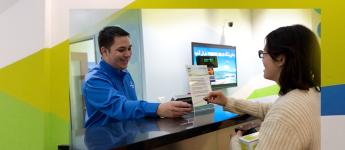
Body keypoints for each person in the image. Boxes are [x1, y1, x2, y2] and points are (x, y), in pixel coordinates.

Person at [205, 24, 320, 150]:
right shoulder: (311, 94)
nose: (262, 59)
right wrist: (227, 101)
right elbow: (266, 109)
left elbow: (279, 113)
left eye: (263, 53)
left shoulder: (284, 112)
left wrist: (235, 141)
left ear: (281, 59)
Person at [82, 26, 192, 128]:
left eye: (129, 48)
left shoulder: (125, 73)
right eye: (121, 50)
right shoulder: (93, 80)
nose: (128, 54)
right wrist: (158, 109)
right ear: (104, 51)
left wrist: (166, 110)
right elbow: (121, 107)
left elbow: (132, 106)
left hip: (127, 137)